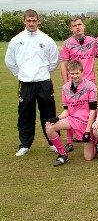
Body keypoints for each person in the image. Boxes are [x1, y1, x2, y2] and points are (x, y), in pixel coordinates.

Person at [5, 9, 59, 157]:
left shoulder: (47, 40)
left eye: (34, 20)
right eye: (28, 21)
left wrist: (43, 74)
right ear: (24, 21)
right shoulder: (16, 40)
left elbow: (54, 61)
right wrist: (21, 74)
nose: (31, 23)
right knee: (25, 114)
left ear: (38, 21)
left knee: (48, 113)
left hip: (44, 82)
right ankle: (25, 145)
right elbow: (10, 61)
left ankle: (54, 142)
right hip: (25, 83)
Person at [45, 60, 97, 166]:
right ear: (68, 73)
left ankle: (94, 142)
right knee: (50, 127)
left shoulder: (91, 87)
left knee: (88, 158)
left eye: (77, 73)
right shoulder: (65, 88)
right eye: (72, 73)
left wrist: (87, 131)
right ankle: (63, 154)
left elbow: (93, 110)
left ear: (82, 72)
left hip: (87, 122)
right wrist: (57, 118)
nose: (75, 76)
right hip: (73, 120)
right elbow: (66, 111)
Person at [60, 16, 98, 152]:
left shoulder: (93, 42)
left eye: (80, 24)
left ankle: (94, 138)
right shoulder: (67, 44)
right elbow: (64, 64)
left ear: (84, 26)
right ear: (71, 28)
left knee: (92, 111)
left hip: (90, 82)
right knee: (71, 111)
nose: (77, 27)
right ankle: (70, 142)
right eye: (74, 25)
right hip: (73, 83)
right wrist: (67, 84)